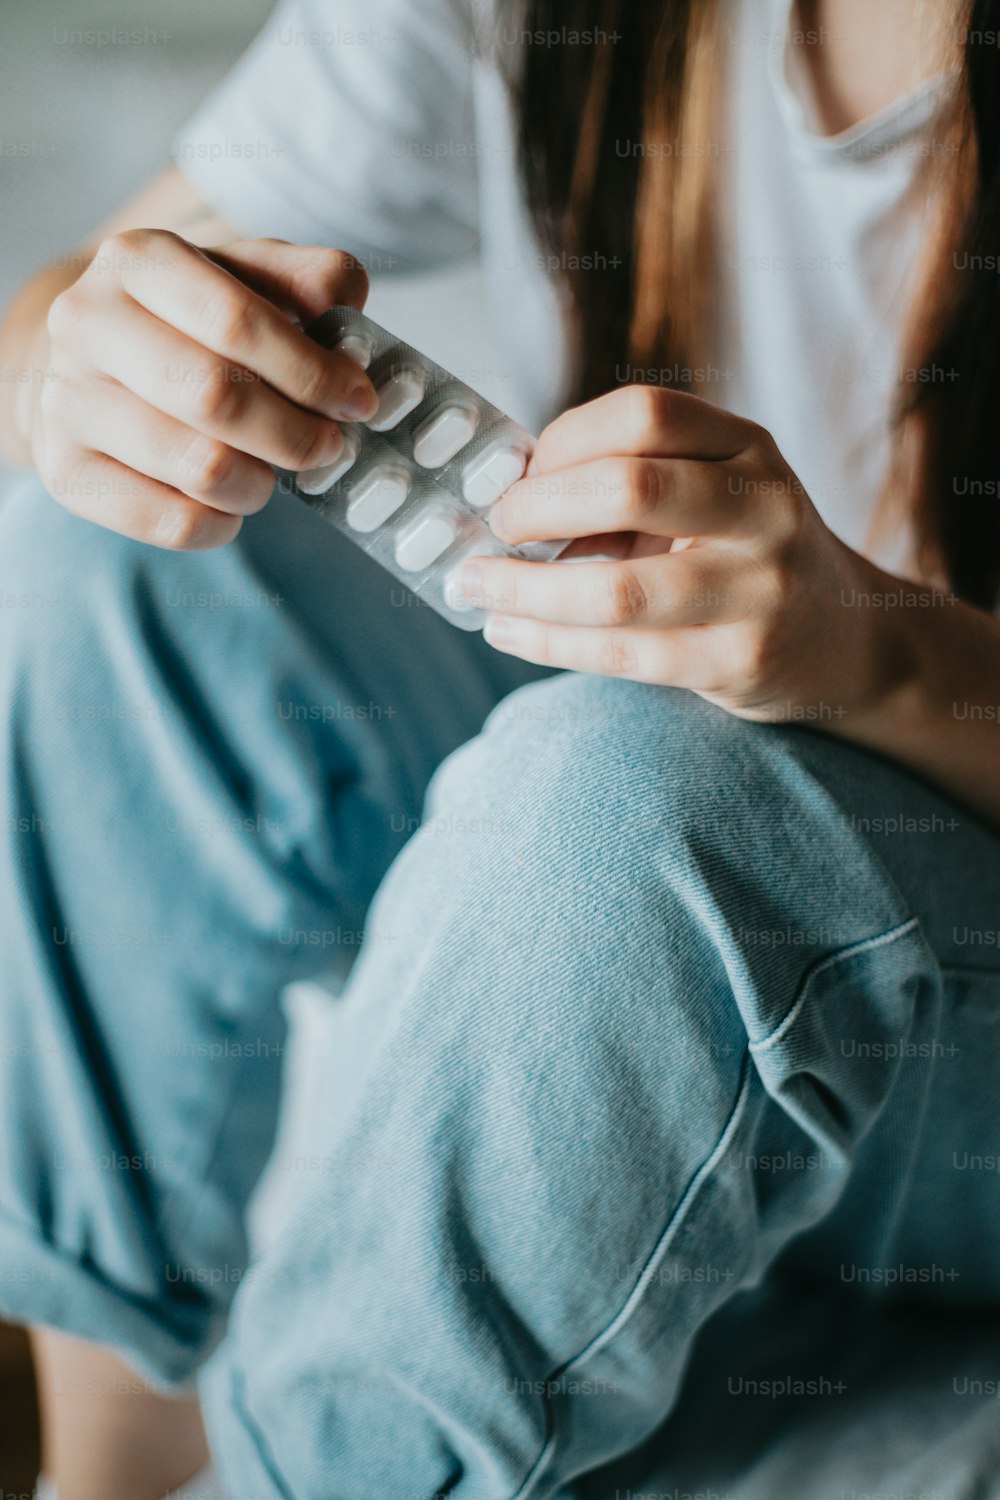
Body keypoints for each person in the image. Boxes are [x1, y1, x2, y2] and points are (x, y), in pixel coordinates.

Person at [1, 0, 999, 1495]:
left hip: (924, 964)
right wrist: (82, 364)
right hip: (663, 862)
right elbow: (68, 308)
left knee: (625, 796)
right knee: (140, 549)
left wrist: (881, 649)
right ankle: (112, 1455)